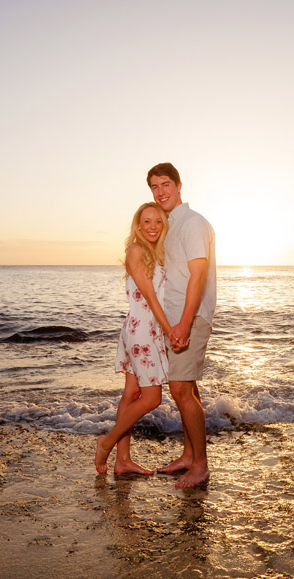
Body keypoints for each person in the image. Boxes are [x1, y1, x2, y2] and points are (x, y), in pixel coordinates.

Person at [146, 162, 216, 488]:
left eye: (165, 185)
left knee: (179, 389)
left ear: (178, 185)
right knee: (187, 388)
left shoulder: (193, 224)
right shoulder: (171, 226)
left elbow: (198, 275)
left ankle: (200, 466)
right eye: (154, 187)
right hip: (175, 320)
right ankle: (189, 455)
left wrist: (185, 323)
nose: (160, 193)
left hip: (191, 318)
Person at [95, 202, 172, 475]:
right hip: (143, 331)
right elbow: (150, 298)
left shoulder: (157, 253)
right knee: (152, 398)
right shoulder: (136, 251)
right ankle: (107, 443)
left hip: (140, 329)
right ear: (138, 226)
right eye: (147, 222)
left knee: (131, 393)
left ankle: (123, 460)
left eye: (158, 222)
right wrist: (170, 330)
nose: (152, 227)